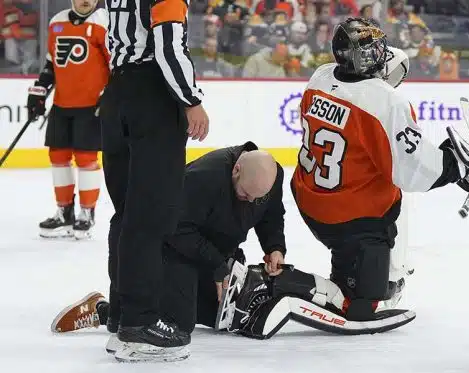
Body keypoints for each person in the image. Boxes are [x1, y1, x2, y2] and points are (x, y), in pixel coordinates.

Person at [214, 18, 469, 339]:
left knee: (374, 219)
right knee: (360, 305)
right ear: (357, 55)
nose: (379, 53)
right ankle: (265, 282)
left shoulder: (320, 77)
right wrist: (457, 166)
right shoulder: (385, 101)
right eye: (372, 49)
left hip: (311, 197)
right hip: (351, 217)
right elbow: (414, 170)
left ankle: (368, 272)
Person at [50, 143, 286, 353]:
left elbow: (271, 215)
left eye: (258, 198)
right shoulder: (204, 177)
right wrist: (215, 263)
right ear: (236, 170)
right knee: (180, 325)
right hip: (178, 249)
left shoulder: (269, 178)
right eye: (245, 194)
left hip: (217, 254)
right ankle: (105, 310)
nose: (251, 201)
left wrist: (275, 247)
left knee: (226, 317)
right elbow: (175, 230)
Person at [100, 0, 210, 363]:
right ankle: (139, 324)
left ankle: (121, 319)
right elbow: (167, 42)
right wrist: (190, 98)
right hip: (153, 97)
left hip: (117, 96)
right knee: (150, 216)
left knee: (127, 214)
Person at [26, 0, 109, 240]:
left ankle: (86, 213)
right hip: (62, 104)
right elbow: (52, 63)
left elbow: (116, 64)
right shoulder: (57, 22)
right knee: (58, 156)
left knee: (85, 158)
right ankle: (64, 212)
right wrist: (40, 90)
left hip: (91, 106)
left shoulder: (103, 21)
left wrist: (110, 95)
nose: (87, 1)